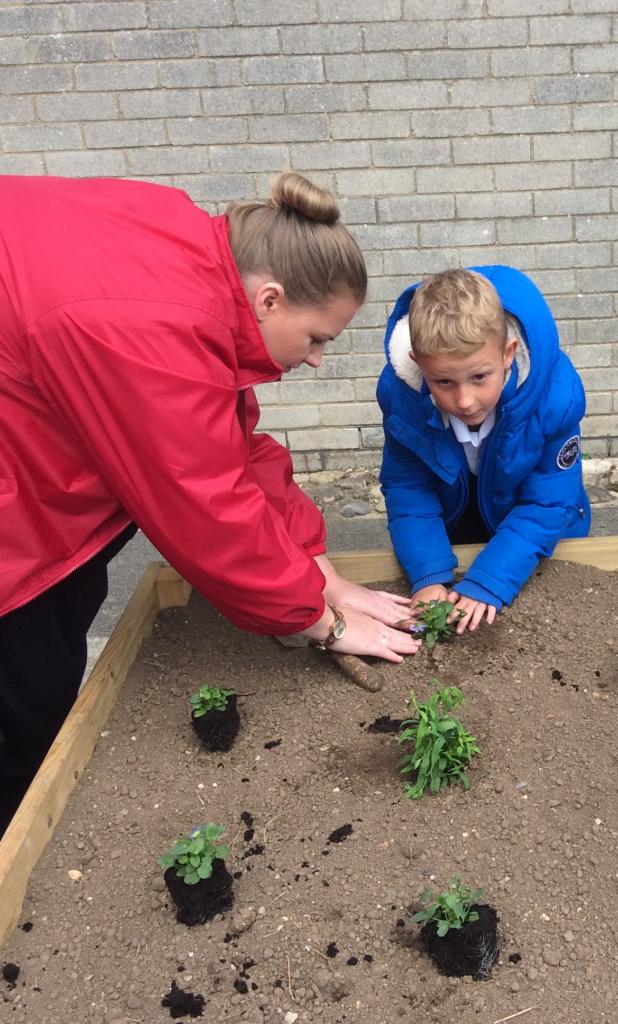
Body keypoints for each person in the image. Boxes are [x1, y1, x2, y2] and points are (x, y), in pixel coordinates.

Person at [0, 171, 420, 833]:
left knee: (60, 629)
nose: (316, 359)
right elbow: (205, 509)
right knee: (28, 707)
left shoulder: (194, 261)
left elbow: (228, 444)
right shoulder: (152, 326)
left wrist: (319, 569)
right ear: (271, 299)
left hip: (31, 438)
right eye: (317, 338)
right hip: (14, 514)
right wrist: (323, 621)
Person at [376, 266, 590, 632]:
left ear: (508, 354)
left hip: (537, 535)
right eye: (444, 381)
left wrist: (491, 579)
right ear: (418, 363)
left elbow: (548, 503)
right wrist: (428, 574)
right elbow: (408, 490)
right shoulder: (403, 398)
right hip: (455, 525)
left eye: (479, 377)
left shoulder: (555, 398)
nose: (465, 400)